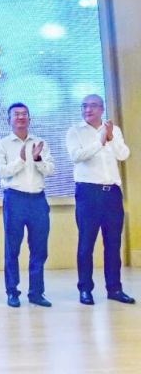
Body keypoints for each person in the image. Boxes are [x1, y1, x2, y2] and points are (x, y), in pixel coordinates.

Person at [66, 94, 135, 305]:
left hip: (112, 193)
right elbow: (76, 156)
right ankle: (85, 289)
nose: (88, 110)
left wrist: (111, 138)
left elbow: (123, 155)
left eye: (93, 106)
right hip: (88, 193)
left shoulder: (114, 130)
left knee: (113, 243)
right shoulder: (75, 131)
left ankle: (114, 289)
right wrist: (100, 141)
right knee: (86, 244)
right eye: (84, 106)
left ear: (102, 109)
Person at [0, 103, 54, 308]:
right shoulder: (1, 145)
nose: (20, 117)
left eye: (24, 114)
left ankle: (36, 292)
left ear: (29, 119)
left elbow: (51, 170)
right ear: (8, 120)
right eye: (16, 114)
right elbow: (1, 172)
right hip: (14, 199)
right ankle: (12, 292)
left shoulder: (40, 143)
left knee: (39, 249)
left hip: (38, 200)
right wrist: (20, 160)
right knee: (12, 248)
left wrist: (37, 158)